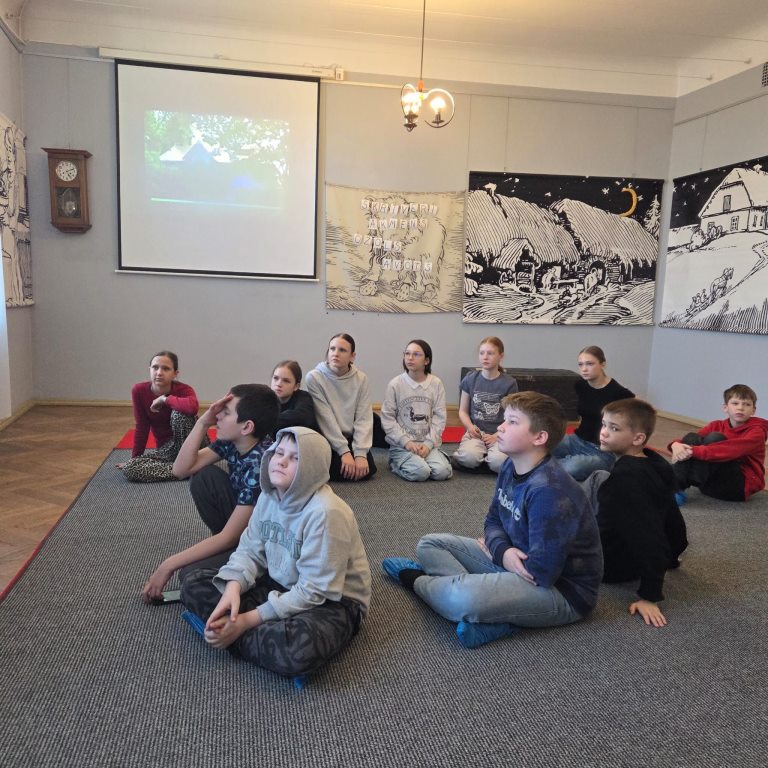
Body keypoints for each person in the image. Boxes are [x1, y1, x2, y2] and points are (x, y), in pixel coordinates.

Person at [382, 391, 602, 649]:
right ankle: (491, 611)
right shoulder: (511, 465)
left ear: (539, 437)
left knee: (461, 598)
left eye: (512, 422)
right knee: (430, 544)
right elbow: (493, 519)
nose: (501, 427)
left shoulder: (549, 490)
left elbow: (541, 572)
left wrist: (497, 552)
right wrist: (503, 551)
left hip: (560, 591)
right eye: (504, 419)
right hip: (516, 561)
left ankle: (417, 580)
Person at [180, 427, 372, 678]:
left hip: (332, 602)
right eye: (279, 452)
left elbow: (315, 591)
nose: (281, 461)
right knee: (193, 584)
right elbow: (249, 551)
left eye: (295, 458)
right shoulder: (268, 496)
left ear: (313, 469)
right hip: (279, 584)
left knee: (297, 650)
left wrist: (245, 621)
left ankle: (233, 634)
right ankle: (251, 636)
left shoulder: (327, 513)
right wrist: (233, 587)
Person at [141, 384, 278, 603]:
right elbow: (180, 470)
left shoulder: (259, 466)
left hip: (265, 544)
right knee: (204, 476)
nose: (218, 416)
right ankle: (225, 555)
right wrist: (202, 422)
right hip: (242, 528)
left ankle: (259, 583)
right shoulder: (234, 442)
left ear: (246, 427)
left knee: (189, 576)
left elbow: (229, 536)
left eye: (226, 413)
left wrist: (168, 564)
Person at [581, 398, 688, 627]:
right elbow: (672, 518)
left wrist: (650, 596)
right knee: (598, 477)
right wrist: (674, 554)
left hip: (609, 564)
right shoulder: (654, 461)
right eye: (604, 424)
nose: (604, 432)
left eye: (614, 428)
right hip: (626, 551)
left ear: (638, 438)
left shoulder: (625, 481)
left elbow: (649, 537)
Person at [668, 384, 768, 503]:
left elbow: (729, 451)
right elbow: (692, 440)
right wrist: (675, 445)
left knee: (716, 438)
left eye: (747, 404)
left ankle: (673, 487)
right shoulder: (716, 425)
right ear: (725, 407)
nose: (740, 408)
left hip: (736, 489)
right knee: (692, 437)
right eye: (735, 403)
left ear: (753, 410)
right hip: (708, 485)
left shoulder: (757, 432)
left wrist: (691, 451)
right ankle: (674, 488)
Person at [551, 345, 634, 480]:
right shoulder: (581, 385)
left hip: (601, 450)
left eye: (590, 364)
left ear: (603, 364)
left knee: (573, 467)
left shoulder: (618, 393)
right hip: (576, 440)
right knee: (541, 444)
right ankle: (555, 466)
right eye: (581, 364)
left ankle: (549, 466)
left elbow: (641, 410)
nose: (584, 369)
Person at [119, 351, 202, 482]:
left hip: (194, 447)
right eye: (155, 367)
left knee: (180, 413)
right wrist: (135, 459)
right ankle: (186, 469)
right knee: (131, 468)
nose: (159, 372)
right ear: (150, 369)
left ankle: (187, 466)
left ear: (175, 373)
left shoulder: (184, 390)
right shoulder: (139, 391)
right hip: (168, 450)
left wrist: (165, 399)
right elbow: (142, 427)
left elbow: (192, 408)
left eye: (166, 369)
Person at [305, 332, 377, 481]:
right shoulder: (314, 377)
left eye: (342, 350)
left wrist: (360, 453)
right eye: (332, 349)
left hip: (350, 435)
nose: (335, 353)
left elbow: (363, 417)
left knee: (367, 468)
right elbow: (325, 418)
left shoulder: (361, 379)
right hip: (327, 436)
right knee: (338, 470)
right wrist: (344, 451)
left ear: (352, 356)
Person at [380, 339, 452, 482]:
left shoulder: (436, 384)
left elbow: (439, 418)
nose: (410, 358)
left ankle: (430, 459)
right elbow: (387, 418)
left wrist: (428, 444)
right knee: (421, 473)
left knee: (442, 472)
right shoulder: (395, 384)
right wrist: (406, 442)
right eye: (407, 354)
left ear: (427, 361)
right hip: (402, 446)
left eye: (416, 354)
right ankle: (395, 462)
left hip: (428, 445)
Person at [451, 336, 518, 473]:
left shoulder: (509, 383)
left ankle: (485, 461)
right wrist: (470, 427)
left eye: (490, 353)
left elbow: (512, 417)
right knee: (469, 457)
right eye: (482, 353)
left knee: (499, 462)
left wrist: (496, 436)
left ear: (501, 356)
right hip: (476, 434)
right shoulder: (470, 379)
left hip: (499, 434)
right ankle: (480, 460)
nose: (485, 357)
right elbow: (463, 411)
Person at [270, 360, 319, 431]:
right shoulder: (266, 399)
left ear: (296, 386)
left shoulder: (304, 397)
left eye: (286, 381)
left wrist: (268, 421)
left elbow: (303, 417)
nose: (278, 384)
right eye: (275, 378)